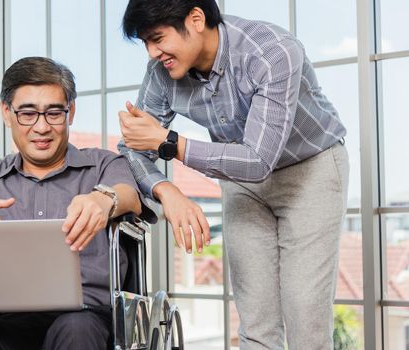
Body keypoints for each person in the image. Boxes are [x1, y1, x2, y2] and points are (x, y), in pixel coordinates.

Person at [117, 0, 349, 349]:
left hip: (310, 170)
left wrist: (170, 143)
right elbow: (132, 149)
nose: (152, 53)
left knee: (305, 316)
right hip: (241, 181)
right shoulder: (161, 75)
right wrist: (166, 189)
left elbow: (258, 159)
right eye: (146, 43)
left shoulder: (272, 52)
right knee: (255, 320)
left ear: (195, 19)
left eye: (157, 38)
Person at [0, 56, 155, 350]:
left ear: (70, 112)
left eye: (54, 113)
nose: (41, 127)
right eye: (28, 113)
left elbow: (129, 194)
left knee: (76, 330)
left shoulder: (103, 165)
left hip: (81, 318)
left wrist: (103, 198)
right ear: (7, 113)